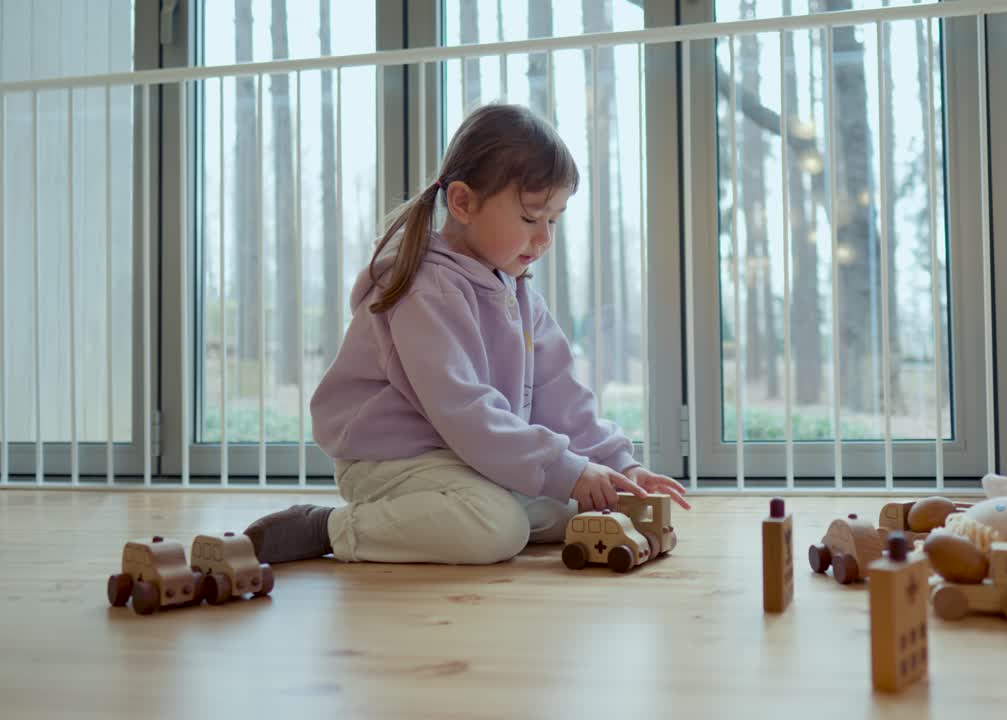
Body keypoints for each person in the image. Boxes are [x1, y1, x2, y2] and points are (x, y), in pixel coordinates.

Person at [244, 103, 689, 566]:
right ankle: (328, 527)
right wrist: (566, 469)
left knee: (573, 508)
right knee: (498, 528)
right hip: (391, 461)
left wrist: (620, 465)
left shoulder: (518, 294)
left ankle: (476, 509)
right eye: (531, 217)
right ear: (462, 203)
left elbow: (564, 399)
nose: (545, 240)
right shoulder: (423, 290)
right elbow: (467, 412)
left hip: (464, 454)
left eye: (552, 221)